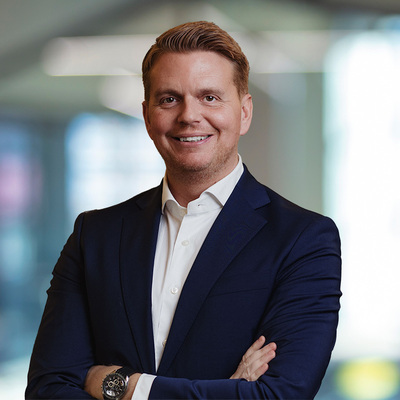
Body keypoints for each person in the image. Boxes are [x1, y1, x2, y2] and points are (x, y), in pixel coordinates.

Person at [26, 21, 341, 400]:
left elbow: (280, 395)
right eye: (169, 99)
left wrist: (124, 387)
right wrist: (226, 392)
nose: (189, 115)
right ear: (147, 116)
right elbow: (47, 388)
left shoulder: (303, 239)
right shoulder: (94, 236)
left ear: (244, 113)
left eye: (210, 97)